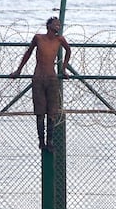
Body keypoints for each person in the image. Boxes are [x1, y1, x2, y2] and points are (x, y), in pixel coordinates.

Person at [10, 17, 71, 152]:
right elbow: (28, 53)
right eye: (55, 24)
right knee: (39, 112)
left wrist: (63, 68)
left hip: (52, 78)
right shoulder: (38, 38)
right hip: (38, 78)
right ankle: (41, 141)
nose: (58, 26)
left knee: (52, 111)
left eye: (59, 24)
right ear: (48, 25)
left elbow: (68, 51)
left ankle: (50, 142)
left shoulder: (59, 40)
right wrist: (19, 70)